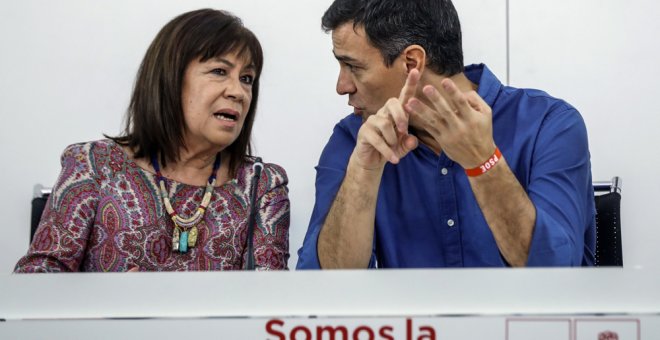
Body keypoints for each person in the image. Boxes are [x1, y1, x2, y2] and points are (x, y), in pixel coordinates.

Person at [297, 0, 595, 269]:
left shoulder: (549, 125)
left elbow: (557, 273)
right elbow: (320, 287)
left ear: (412, 63)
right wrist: (362, 174)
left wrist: (483, 162)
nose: (342, 86)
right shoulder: (353, 140)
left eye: (353, 66)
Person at [15, 9, 290, 272]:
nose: (238, 92)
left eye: (247, 78)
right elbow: (37, 280)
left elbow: (269, 301)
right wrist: (107, 301)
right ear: (170, 78)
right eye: (219, 71)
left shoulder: (261, 184)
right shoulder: (94, 166)